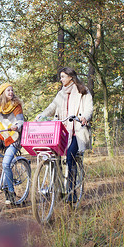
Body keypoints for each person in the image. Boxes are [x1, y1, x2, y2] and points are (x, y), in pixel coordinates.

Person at [36, 67, 93, 203]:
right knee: (52, 155)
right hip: (61, 131)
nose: (61, 79)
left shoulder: (83, 91)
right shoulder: (60, 94)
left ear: (70, 77)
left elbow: (89, 108)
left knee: (70, 157)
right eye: (60, 77)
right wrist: (42, 115)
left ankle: (71, 191)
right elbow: (52, 107)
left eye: (63, 76)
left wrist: (85, 117)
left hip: (76, 131)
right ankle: (56, 186)